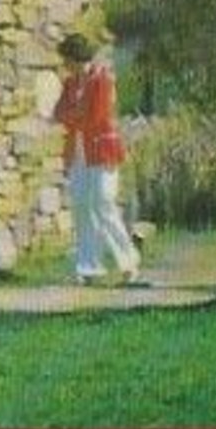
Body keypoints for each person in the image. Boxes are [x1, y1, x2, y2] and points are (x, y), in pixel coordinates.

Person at [50, 33, 143, 286]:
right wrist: (74, 114)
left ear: (77, 58)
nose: (65, 65)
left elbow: (96, 116)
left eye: (67, 59)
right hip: (78, 150)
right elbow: (59, 112)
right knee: (81, 205)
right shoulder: (70, 84)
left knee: (103, 203)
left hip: (101, 149)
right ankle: (88, 266)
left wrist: (73, 115)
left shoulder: (102, 80)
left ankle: (128, 262)